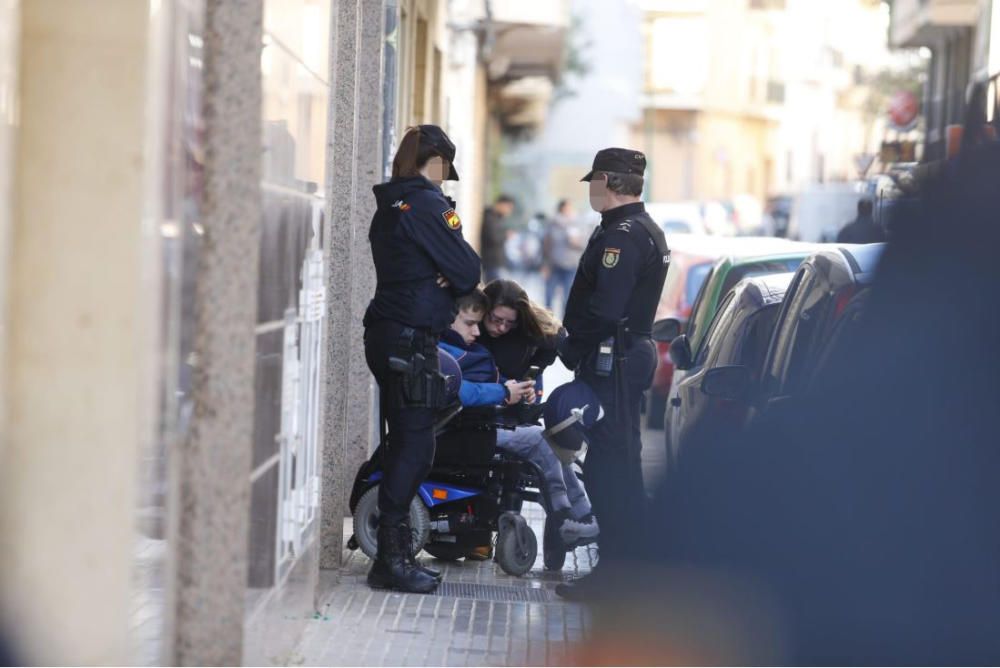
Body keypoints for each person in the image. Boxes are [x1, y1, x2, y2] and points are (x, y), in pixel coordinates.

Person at [363, 125, 481, 593]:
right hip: (409, 341)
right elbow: (469, 270)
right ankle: (391, 560)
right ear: (433, 162)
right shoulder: (429, 204)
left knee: (405, 441)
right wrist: (447, 275)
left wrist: (441, 274)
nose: (444, 179)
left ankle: (392, 553)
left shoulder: (391, 205)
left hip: (390, 335)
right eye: (443, 169)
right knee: (415, 446)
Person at [555, 148, 670, 600]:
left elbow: (605, 310)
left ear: (610, 182)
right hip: (623, 355)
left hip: (615, 358)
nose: (590, 191)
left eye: (594, 183)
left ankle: (619, 574)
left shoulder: (623, 236)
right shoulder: (643, 229)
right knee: (616, 460)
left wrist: (568, 346)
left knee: (610, 466)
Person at [439, 290, 600, 552]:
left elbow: (484, 382)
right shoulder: (449, 352)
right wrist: (504, 391)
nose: (480, 330)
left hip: (482, 421)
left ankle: (578, 515)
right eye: (472, 323)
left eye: (508, 323)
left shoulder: (469, 348)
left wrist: (515, 388)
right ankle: (568, 516)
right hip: (466, 429)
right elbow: (462, 390)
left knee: (548, 439)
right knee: (542, 441)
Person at [479, 279, 563, 399]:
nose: (502, 328)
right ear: (485, 309)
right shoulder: (473, 321)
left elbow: (557, 335)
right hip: (489, 386)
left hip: (522, 383)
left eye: (510, 323)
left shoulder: (526, 323)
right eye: (496, 320)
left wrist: (533, 372)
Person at [542, 199, 584, 314]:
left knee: (568, 297)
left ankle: (565, 323)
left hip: (571, 265)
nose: (570, 210)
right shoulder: (552, 224)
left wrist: (577, 242)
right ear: (561, 209)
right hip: (554, 264)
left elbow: (584, 244)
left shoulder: (577, 223)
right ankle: (547, 320)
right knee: (549, 295)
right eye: (568, 208)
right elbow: (546, 245)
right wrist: (545, 264)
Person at [480, 194, 515, 281]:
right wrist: (505, 235)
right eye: (508, 208)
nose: (509, 212)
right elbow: (492, 237)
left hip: (497, 264)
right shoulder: (489, 216)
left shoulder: (498, 218)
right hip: (491, 263)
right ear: (501, 204)